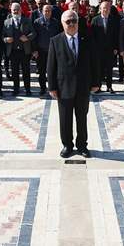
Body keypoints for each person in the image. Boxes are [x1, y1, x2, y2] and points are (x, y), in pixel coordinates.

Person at [47, 10, 99, 158]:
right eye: (68, 21)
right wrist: (52, 87)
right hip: (63, 88)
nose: (71, 24)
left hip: (83, 87)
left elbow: (94, 62)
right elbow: (51, 66)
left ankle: (82, 145)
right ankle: (67, 145)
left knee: (82, 117)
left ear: (78, 22)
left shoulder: (87, 39)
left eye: (74, 21)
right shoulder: (55, 41)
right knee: (65, 119)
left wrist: (96, 82)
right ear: (62, 24)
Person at [3, 3, 36, 96]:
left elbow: (34, 33)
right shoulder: (6, 22)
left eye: (17, 9)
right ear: (11, 10)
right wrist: (6, 39)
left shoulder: (27, 20)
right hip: (13, 51)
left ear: (21, 10)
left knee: (26, 71)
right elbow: (3, 36)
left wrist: (27, 38)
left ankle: (27, 89)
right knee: (14, 71)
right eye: (14, 10)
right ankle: (16, 89)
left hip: (24, 50)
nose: (15, 11)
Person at [33, 4, 62, 96]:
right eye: (45, 11)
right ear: (42, 11)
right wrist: (35, 50)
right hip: (41, 50)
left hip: (53, 51)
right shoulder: (37, 22)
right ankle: (42, 88)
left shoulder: (56, 22)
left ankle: (52, 87)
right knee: (41, 71)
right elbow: (34, 37)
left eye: (49, 11)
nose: (47, 12)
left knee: (53, 71)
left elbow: (59, 36)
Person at [91, 1, 119, 93]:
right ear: (100, 9)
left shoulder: (114, 20)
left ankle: (109, 86)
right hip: (98, 49)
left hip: (110, 49)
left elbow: (116, 35)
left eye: (107, 8)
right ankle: (98, 86)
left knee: (109, 69)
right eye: (104, 8)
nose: (106, 10)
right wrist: (94, 48)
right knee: (98, 69)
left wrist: (116, 48)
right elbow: (93, 35)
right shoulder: (95, 20)